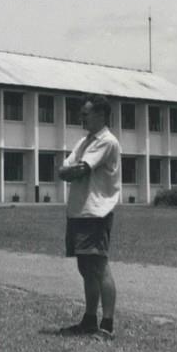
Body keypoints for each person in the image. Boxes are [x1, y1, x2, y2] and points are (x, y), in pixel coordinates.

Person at [58, 94, 121, 339]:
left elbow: (78, 169)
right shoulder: (85, 141)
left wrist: (68, 170)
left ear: (101, 115)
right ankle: (89, 320)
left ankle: (107, 324)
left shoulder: (107, 141)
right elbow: (66, 167)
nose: (81, 117)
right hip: (79, 210)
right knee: (85, 266)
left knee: (98, 265)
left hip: (96, 211)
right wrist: (67, 170)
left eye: (86, 113)